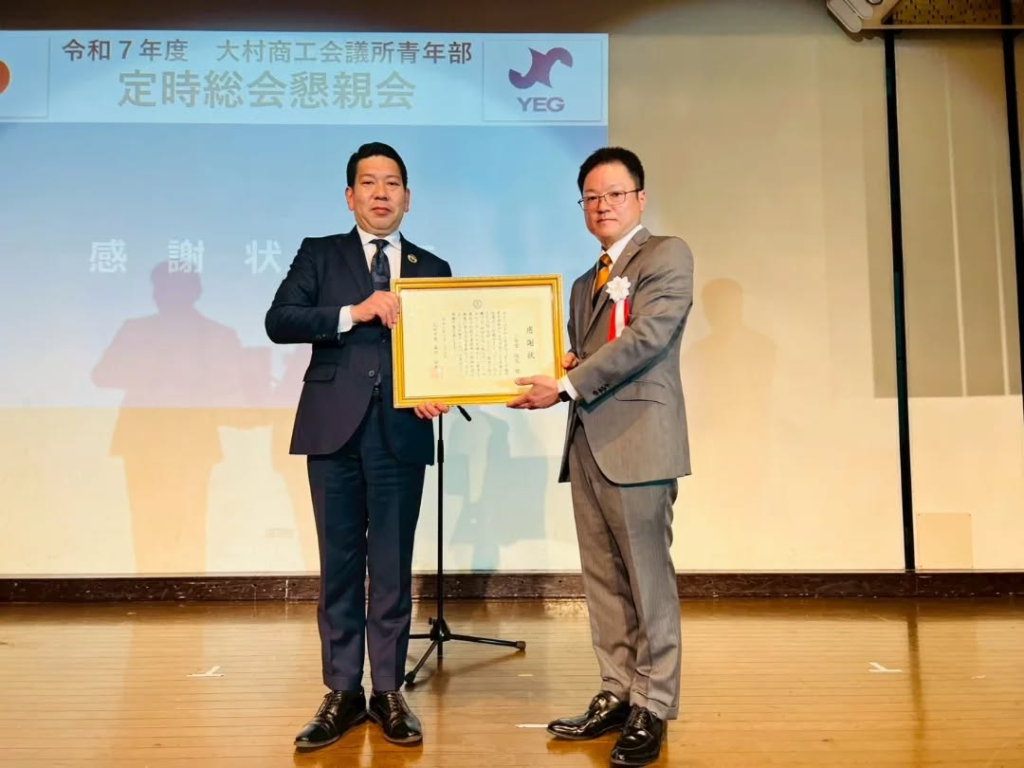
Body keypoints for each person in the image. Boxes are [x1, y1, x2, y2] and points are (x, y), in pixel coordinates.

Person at [508, 146, 694, 767]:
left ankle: (653, 704)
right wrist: (563, 366)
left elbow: (646, 338)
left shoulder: (667, 255)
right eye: (591, 197)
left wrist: (566, 382)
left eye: (614, 194)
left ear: (640, 198)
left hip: (639, 443)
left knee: (647, 579)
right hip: (587, 443)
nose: (602, 205)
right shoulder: (584, 282)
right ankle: (617, 691)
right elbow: (587, 359)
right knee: (605, 581)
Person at [265, 141, 450, 750]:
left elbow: (444, 351)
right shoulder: (320, 254)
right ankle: (342, 691)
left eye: (391, 183)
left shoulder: (432, 267)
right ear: (350, 196)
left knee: (392, 566)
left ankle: (388, 690)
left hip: (401, 430)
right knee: (339, 563)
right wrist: (353, 311)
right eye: (368, 183)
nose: (380, 193)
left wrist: (440, 388)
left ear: (407, 197)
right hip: (333, 428)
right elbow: (280, 320)